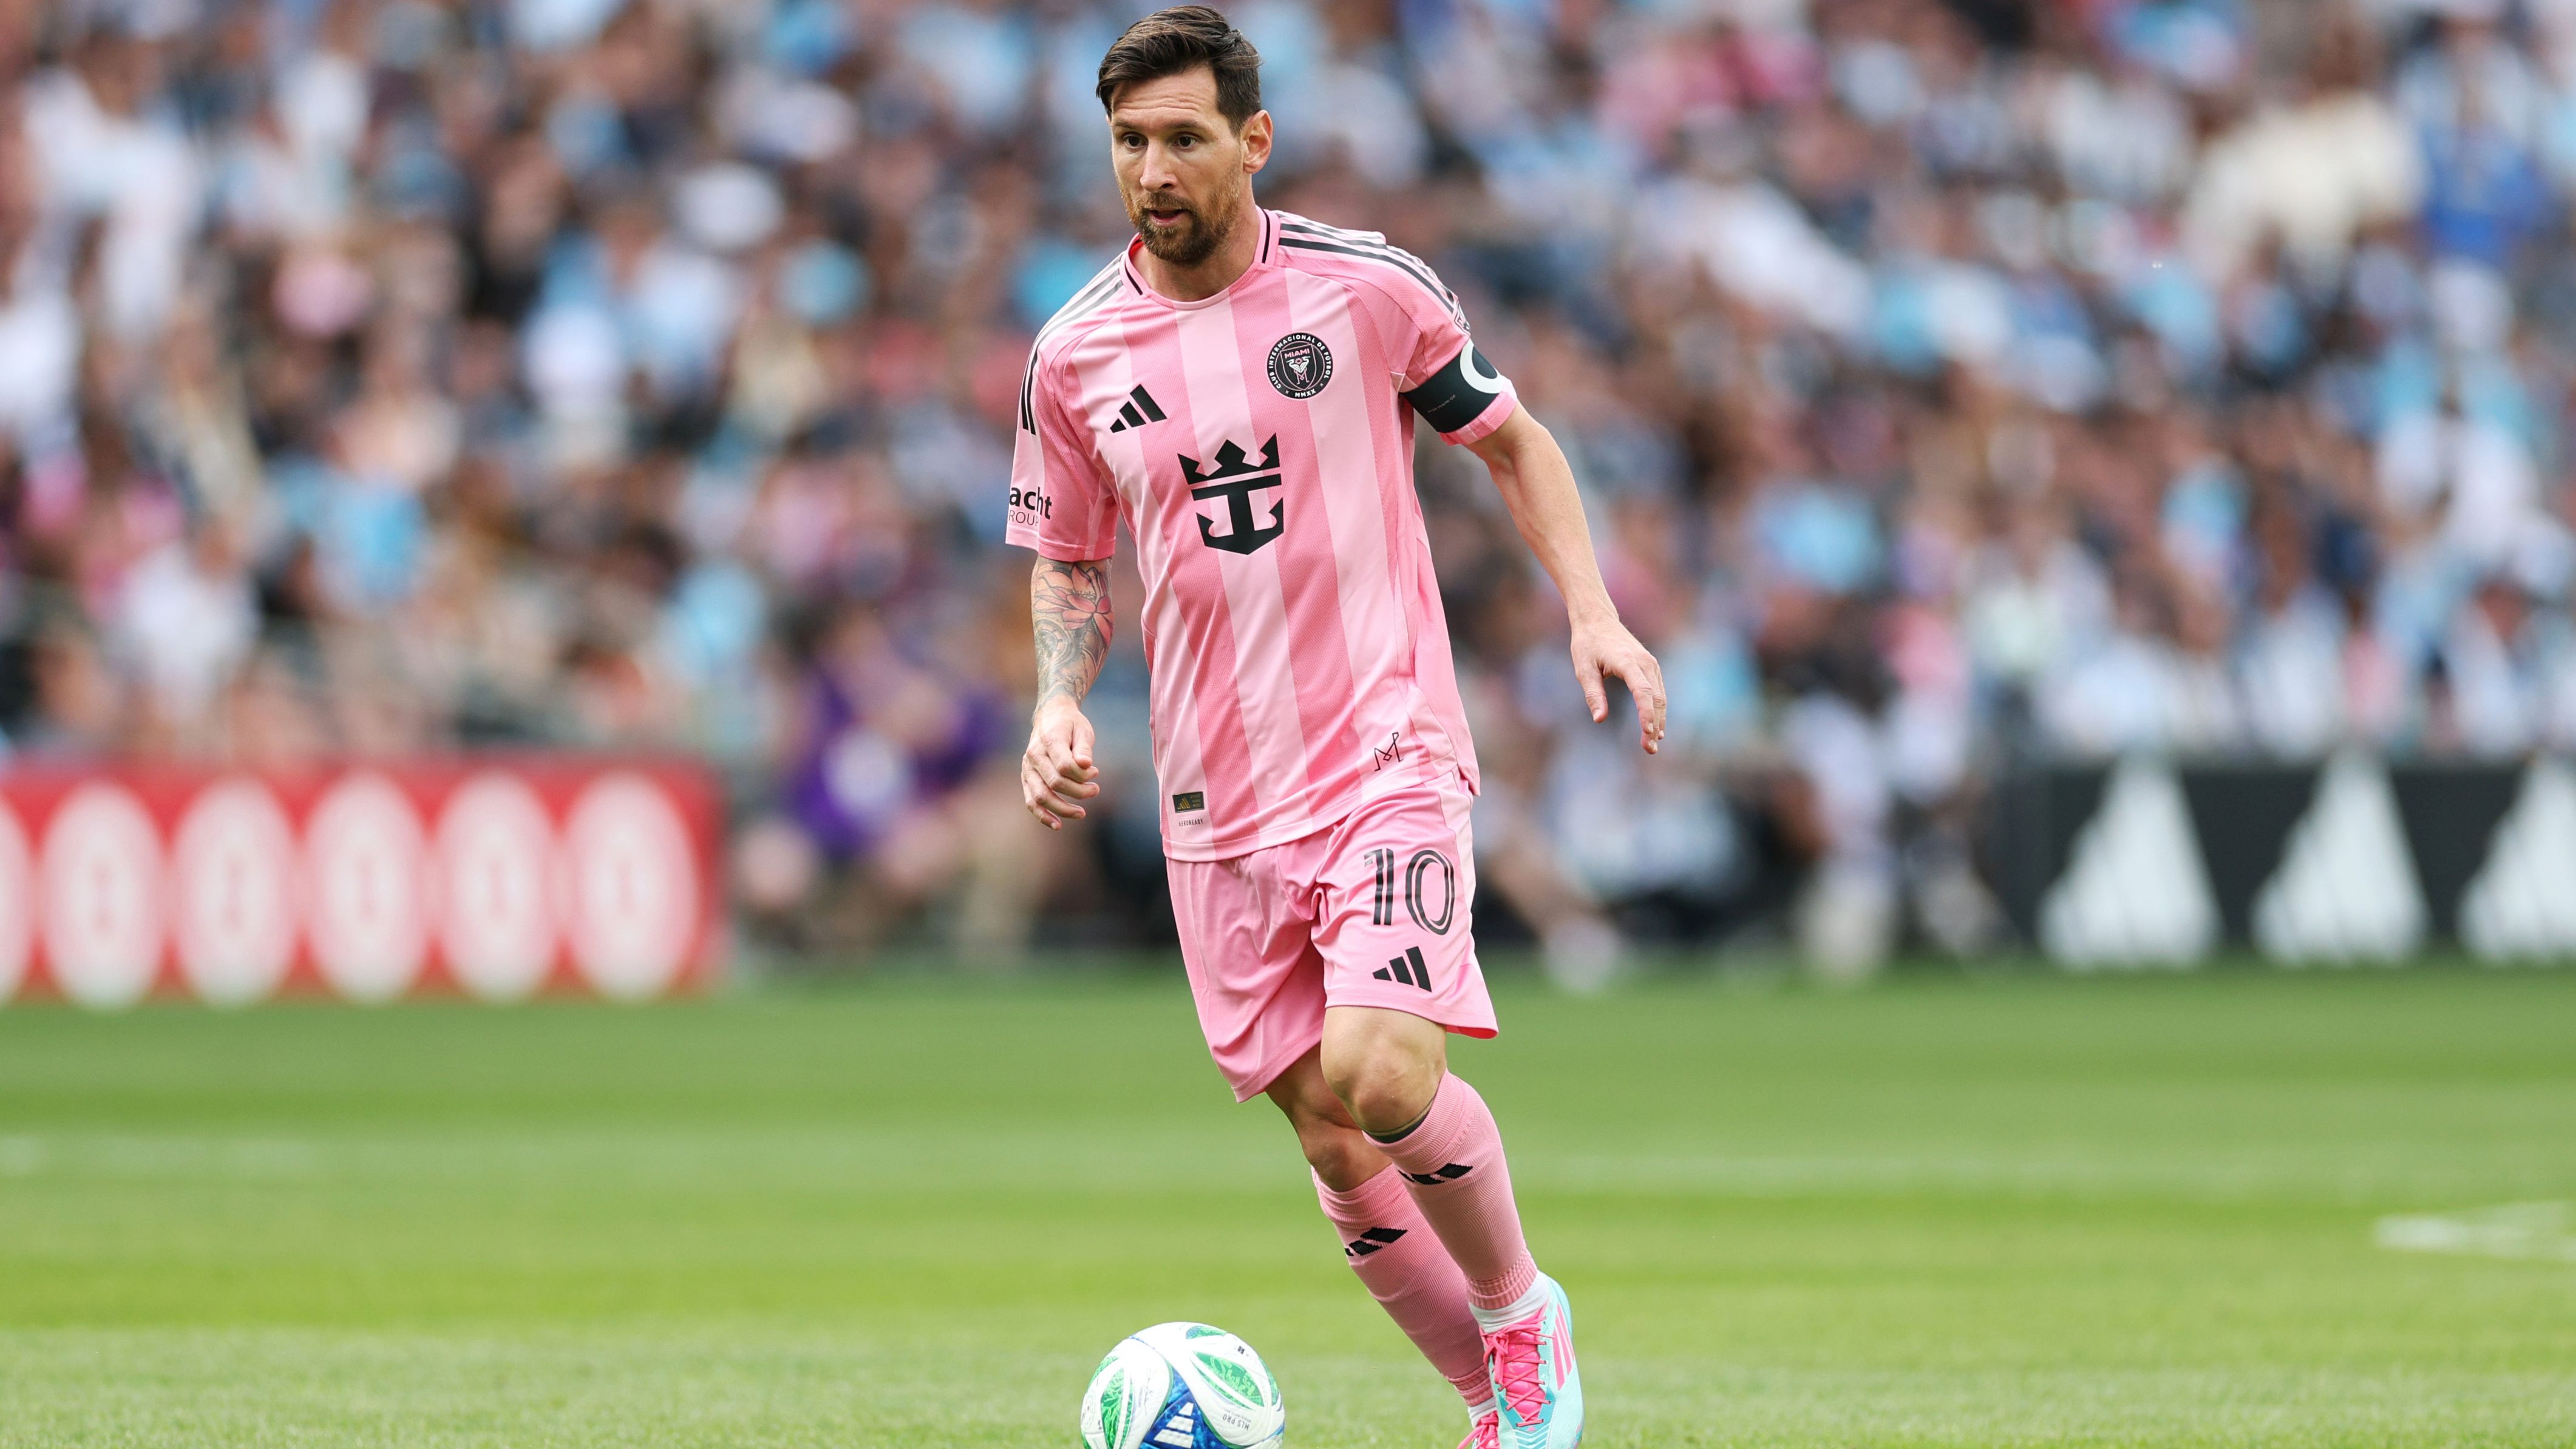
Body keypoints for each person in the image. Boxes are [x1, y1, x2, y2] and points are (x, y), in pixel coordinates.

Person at [1008, 10, 1665, 1447]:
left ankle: (1518, 1315)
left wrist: (1592, 612)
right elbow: (1067, 557)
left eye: (1183, 137)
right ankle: (1494, 1405)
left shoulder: (1365, 290)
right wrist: (1057, 699)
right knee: (1323, 1123)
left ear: (1252, 139)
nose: (1152, 169)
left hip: (1384, 751)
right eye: (1128, 142)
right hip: (1214, 803)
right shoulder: (1071, 355)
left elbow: (1512, 439)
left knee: (1383, 1075)